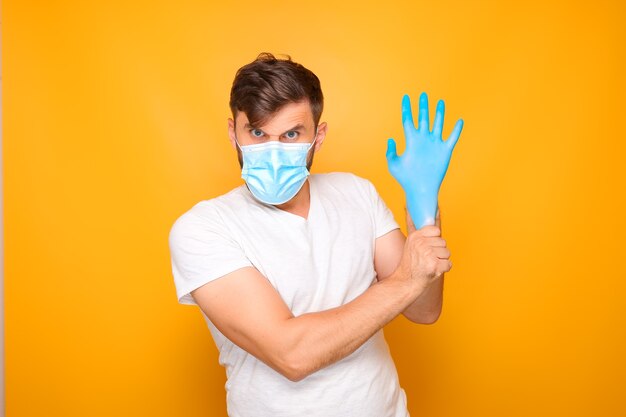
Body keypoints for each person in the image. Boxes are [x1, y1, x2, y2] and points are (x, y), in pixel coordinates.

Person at [168, 52, 452, 417]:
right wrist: (403, 282)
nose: (272, 151)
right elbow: (293, 354)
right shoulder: (204, 228)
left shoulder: (356, 193)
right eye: (257, 133)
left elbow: (424, 308)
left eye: (290, 134)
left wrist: (423, 208)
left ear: (318, 137)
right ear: (232, 133)